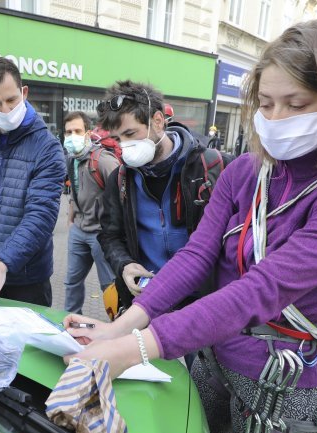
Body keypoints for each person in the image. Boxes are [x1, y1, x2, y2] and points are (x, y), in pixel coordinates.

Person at [63, 18, 317, 433]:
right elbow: (196, 258)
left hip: (280, 384)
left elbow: (259, 292)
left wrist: (134, 348)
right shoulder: (245, 172)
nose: (277, 117)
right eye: (266, 103)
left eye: (298, 103)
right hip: (212, 357)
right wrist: (120, 325)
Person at [96, 80, 231, 317]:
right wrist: (124, 264)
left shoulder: (211, 166)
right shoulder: (120, 178)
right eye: (118, 139)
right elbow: (110, 235)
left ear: (158, 122)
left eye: (130, 134)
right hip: (148, 299)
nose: (125, 146)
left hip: (202, 304)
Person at [0, 57, 66, 308]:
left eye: (12, 100)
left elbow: (41, 215)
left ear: (24, 92)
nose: (6, 110)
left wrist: (3, 262)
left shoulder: (47, 147)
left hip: (27, 279)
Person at [62, 110, 118, 314]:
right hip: (78, 230)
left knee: (110, 285)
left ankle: (118, 326)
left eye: (77, 130)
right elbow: (73, 191)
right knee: (71, 283)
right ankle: (71, 324)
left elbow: (123, 196)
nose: (71, 136)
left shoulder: (103, 160)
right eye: (68, 132)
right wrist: (70, 219)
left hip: (101, 235)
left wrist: (115, 233)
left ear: (87, 133)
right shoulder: (71, 159)